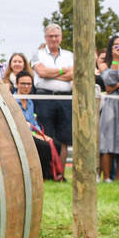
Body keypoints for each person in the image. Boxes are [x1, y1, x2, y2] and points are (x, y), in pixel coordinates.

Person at [31, 24, 73, 156]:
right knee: (46, 135)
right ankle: (48, 171)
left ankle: (60, 174)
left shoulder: (69, 55)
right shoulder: (37, 54)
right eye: (51, 36)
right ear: (45, 38)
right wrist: (62, 71)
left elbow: (72, 75)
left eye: (56, 36)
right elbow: (42, 72)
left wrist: (51, 75)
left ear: (61, 37)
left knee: (64, 138)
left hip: (65, 98)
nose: (54, 39)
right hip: (45, 98)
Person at [97, 34, 119, 181]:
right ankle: (107, 176)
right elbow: (109, 81)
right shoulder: (104, 64)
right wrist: (115, 61)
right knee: (108, 141)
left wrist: (118, 85)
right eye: (116, 45)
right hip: (111, 105)